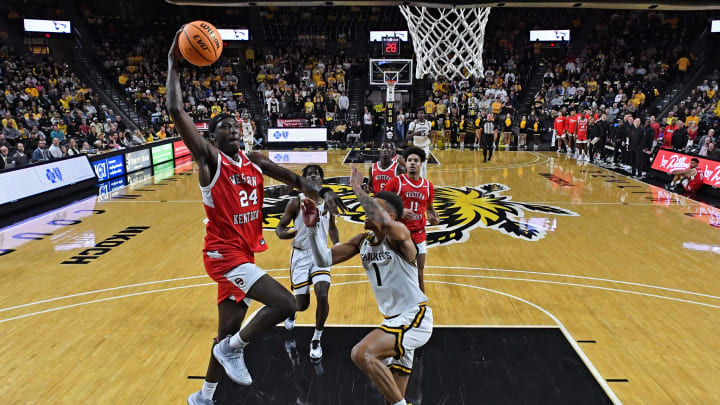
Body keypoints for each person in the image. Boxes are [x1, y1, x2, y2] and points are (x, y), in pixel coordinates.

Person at [166, 30, 346, 405]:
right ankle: (233, 351)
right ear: (212, 139)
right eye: (224, 128)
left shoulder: (256, 162)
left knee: (227, 332)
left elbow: (296, 179)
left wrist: (320, 192)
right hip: (223, 254)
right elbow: (176, 111)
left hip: (244, 255)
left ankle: (204, 396)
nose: (233, 130)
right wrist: (173, 63)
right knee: (286, 304)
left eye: (236, 126)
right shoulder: (210, 161)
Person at [302, 165, 433, 405]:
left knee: (362, 353)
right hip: (393, 321)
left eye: (374, 207)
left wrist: (356, 189)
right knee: (391, 397)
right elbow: (323, 260)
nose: (366, 210)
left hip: (415, 318)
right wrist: (312, 229)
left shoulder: (401, 237)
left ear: (390, 217)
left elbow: (385, 221)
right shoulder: (363, 241)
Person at [276, 164, 340, 362]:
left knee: (322, 293)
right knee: (302, 305)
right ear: (304, 180)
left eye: (317, 174)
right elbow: (279, 228)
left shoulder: (328, 202)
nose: (313, 176)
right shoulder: (297, 202)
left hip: (320, 254)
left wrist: (337, 244)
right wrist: (286, 234)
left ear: (322, 179)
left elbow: (332, 228)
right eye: (309, 174)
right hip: (301, 255)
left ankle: (316, 339)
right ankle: (292, 312)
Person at [383, 147, 439, 292]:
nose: (412, 163)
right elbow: (379, 202)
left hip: (419, 233)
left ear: (421, 164)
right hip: (399, 234)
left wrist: (434, 218)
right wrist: (398, 212)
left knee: (419, 273)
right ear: (405, 164)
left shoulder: (428, 186)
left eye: (416, 160)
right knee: (397, 273)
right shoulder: (396, 182)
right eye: (409, 160)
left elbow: (430, 209)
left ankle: (421, 307)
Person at [407, 110, 432, 178]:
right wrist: (415, 133)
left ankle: (423, 181)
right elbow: (407, 136)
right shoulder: (413, 124)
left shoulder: (428, 123)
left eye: (422, 113)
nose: (421, 115)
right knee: (418, 165)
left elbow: (431, 133)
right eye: (419, 113)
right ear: (417, 115)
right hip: (417, 147)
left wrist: (430, 135)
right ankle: (418, 179)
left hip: (425, 146)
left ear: (424, 114)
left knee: (423, 164)